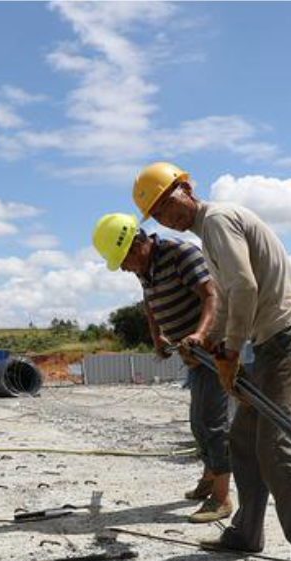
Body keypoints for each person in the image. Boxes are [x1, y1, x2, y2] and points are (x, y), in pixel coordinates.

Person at [133, 162, 291, 561]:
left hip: (289, 335)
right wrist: (209, 341)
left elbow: (245, 287)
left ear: (186, 189)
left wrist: (229, 351)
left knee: (276, 444)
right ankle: (247, 532)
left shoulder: (219, 221)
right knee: (243, 440)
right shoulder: (209, 233)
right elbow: (228, 298)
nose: (168, 216)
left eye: (168, 203)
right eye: (158, 213)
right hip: (269, 341)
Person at [91, 212, 234, 523]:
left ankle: (222, 498)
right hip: (194, 355)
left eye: (124, 260)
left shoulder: (180, 254)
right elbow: (150, 303)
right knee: (199, 423)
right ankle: (210, 478)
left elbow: (212, 295)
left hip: (216, 349)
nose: (125, 268)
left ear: (137, 245)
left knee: (213, 424)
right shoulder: (145, 268)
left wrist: (199, 334)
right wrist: (158, 337)